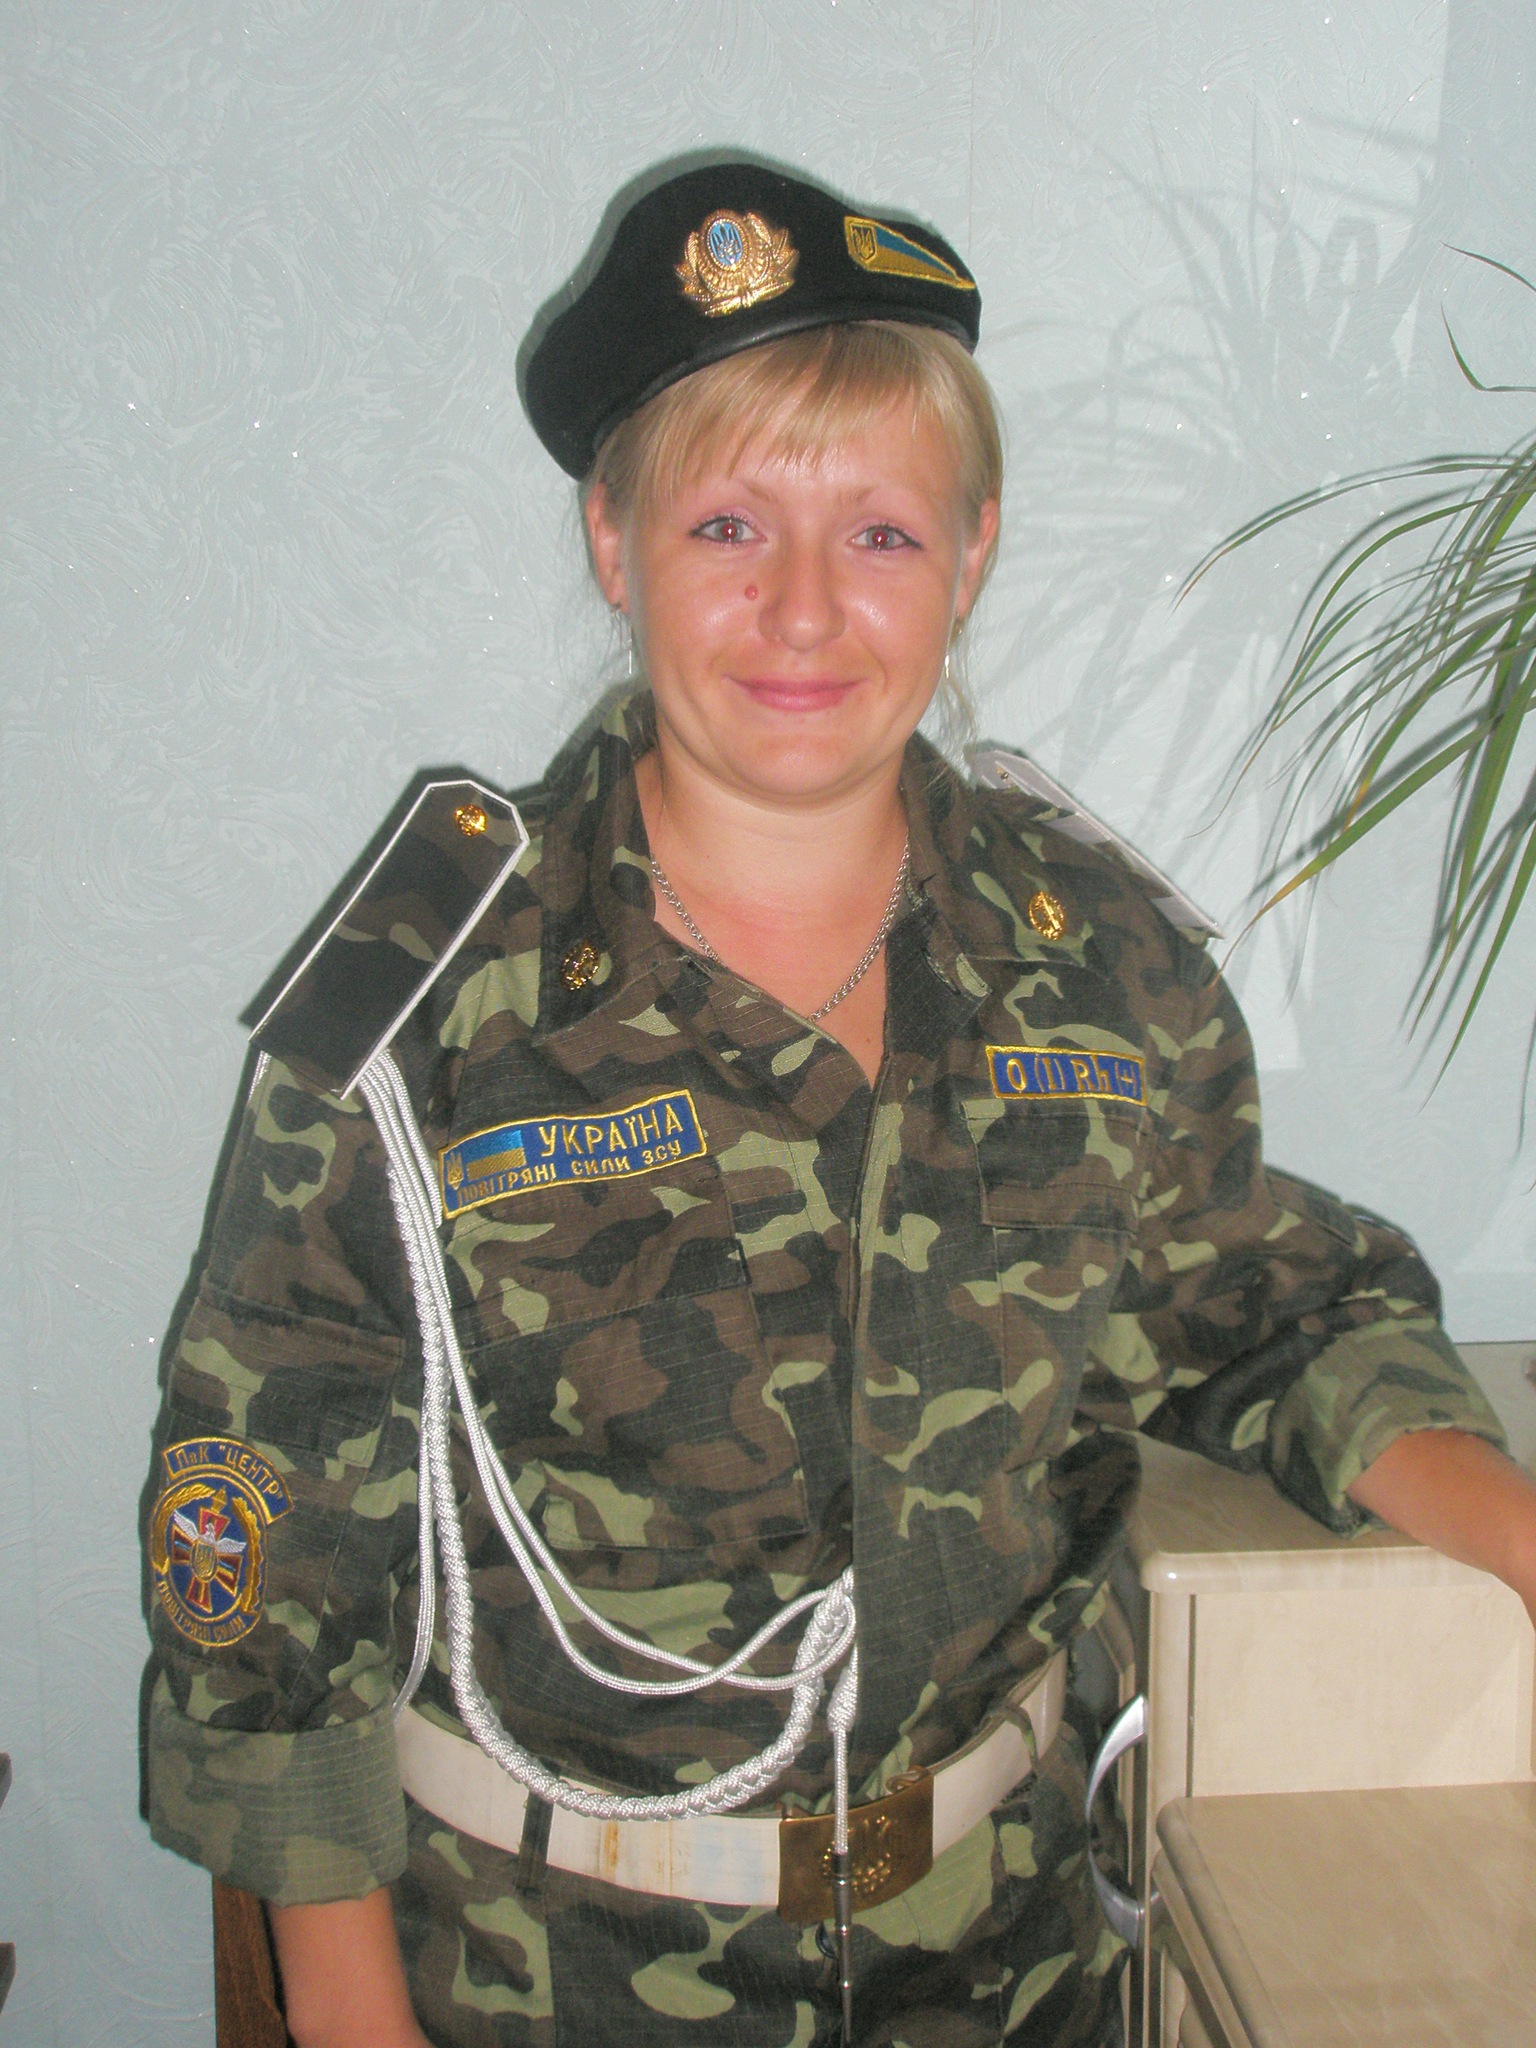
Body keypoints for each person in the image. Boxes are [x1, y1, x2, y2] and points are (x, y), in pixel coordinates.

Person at [141, 160, 1536, 2048]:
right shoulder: (431, 1007)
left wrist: (1515, 1535)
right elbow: (272, 1523)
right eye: (728, 523)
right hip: (552, 1985)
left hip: (1011, 1968)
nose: (802, 609)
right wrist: (346, 2016)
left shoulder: (1098, 966)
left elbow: (1246, 1300)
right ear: (613, 542)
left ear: (971, 555)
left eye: (879, 532)